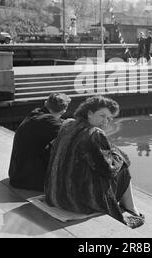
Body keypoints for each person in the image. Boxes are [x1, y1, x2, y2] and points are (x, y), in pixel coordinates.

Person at [45, 96, 144, 228]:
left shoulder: (68, 123)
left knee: (116, 157)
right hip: (76, 202)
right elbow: (109, 170)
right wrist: (120, 157)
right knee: (123, 166)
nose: (105, 121)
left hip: (54, 195)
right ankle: (131, 208)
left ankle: (130, 206)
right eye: (102, 115)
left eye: (109, 118)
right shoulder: (94, 133)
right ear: (89, 113)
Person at [8, 93, 71, 191]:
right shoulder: (49, 122)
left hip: (17, 173)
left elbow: (59, 123)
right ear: (64, 110)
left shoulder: (36, 114)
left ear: (45, 103)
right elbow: (73, 134)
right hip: (29, 181)